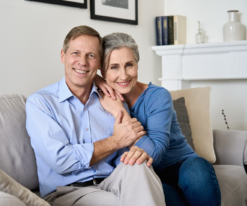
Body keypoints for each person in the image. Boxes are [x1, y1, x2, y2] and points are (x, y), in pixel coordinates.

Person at [25, 25, 166, 206]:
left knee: (138, 167)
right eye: (75, 53)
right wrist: (116, 141)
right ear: (63, 56)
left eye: (91, 56)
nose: (82, 62)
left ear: (99, 64)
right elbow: (61, 160)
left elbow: (127, 153)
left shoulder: (112, 100)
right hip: (68, 192)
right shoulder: (41, 103)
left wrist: (134, 150)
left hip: (111, 182)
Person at [95, 32, 221, 206]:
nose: (123, 76)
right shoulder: (99, 99)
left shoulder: (158, 96)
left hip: (181, 166)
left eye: (129, 65)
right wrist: (95, 79)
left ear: (137, 65)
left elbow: (154, 152)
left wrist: (120, 112)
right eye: (114, 67)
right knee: (152, 192)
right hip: (147, 176)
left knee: (197, 171)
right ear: (103, 70)